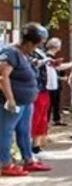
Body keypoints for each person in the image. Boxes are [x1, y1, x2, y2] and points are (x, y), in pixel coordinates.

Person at [1, 23, 52, 177]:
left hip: (25, 101)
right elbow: (3, 77)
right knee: (6, 131)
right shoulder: (10, 52)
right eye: (35, 45)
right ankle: (5, 163)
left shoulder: (24, 54)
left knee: (24, 131)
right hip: (13, 102)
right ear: (28, 43)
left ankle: (28, 159)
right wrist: (10, 99)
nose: (35, 49)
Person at [45, 38, 66, 126]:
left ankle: (56, 118)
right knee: (50, 103)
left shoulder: (51, 57)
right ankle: (47, 121)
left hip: (55, 83)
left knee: (56, 101)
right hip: (51, 84)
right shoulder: (49, 58)